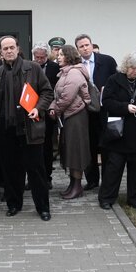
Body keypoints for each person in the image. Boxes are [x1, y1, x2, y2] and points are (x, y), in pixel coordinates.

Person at [0, 35, 54, 221]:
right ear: (0, 52)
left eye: (12, 47)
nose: (9, 51)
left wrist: (37, 108)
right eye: (5, 48)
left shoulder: (32, 68)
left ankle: (43, 208)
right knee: (10, 170)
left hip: (29, 128)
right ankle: (13, 204)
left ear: (18, 49)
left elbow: (47, 92)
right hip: (6, 129)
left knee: (36, 170)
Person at [99, 52, 136, 210]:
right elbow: (107, 102)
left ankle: (134, 198)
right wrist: (125, 107)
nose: (135, 72)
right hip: (119, 132)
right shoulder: (114, 80)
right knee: (114, 167)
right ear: (126, 67)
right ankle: (107, 197)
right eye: (132, 68)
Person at [75, 33, 118, 191]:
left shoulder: (107, 61)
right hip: (86, 111)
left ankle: (108, 179)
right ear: (77, 49)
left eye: (87, 45)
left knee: (107, 146)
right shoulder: (76, 64)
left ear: (92, 45)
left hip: (105, 110)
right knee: (89, 146)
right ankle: (92, 179)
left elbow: (117, 81)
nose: (85, 48)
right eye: (81, 46)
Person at [49, 45, 91, 200]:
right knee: (70, 150)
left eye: (61, 54)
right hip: (69, 115)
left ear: (68, 56)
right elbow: (58, 95)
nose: (58, 57)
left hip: (76, 116)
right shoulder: (66, 72)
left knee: (76, 152)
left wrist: (56, 109)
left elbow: (67, 96)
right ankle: (73, 184)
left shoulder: (74, 72)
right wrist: (54, 107)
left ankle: (77, 186)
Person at [33, 42, 61, 187]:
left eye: (42, 57)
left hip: (48, 111)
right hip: (32, 110)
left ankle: (47, 177)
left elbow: (57, 90)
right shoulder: (29, 67)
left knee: (47, 145)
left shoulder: (55, 68)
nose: (39, 60)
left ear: (47, 56)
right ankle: (34, 178)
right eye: (36, 57)